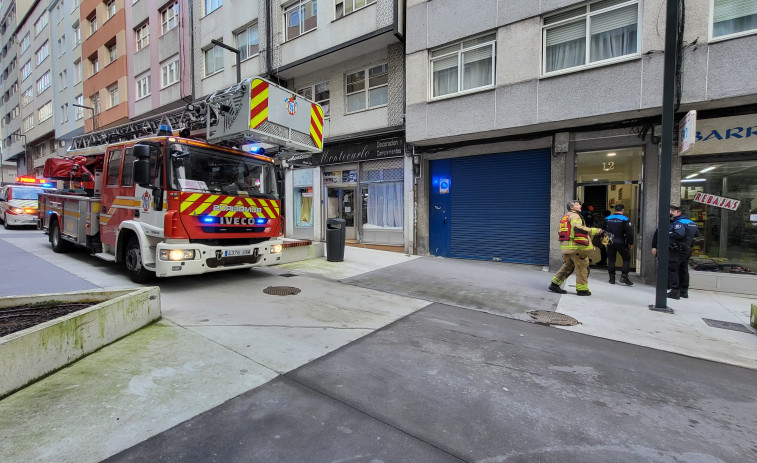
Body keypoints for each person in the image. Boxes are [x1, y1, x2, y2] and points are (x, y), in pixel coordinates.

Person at [549, 200, 603, 296]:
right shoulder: (575, 216)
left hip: (567, 247)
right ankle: (582, 290)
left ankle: (555, 284)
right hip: (576, 247)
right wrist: (597, 231)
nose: (580, 206)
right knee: (583, 266)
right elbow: (578, 228)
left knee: (568, 266)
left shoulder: (565, 216)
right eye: (577, 204)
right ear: (571, 207)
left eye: (579, 204)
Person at [651, 205, 699, 299]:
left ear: (678, 212)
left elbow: (679, 234)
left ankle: (674, 291)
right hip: (687, 248)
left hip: (678, 249)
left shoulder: (679, 222)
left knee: (672, 269)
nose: (672, 213)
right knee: (683, 269)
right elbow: (697, 234)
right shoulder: (691, 222)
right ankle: (684, 291)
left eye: (674, 211)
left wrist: (668, 234)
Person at [605, 204, 634, 285]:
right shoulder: (625, 219)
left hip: (610, 240)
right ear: (623, 210)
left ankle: (612, 278)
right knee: (626, 258)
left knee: (611, 259)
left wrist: (605, 241)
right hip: (621, 241)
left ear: (614, 210)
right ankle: (624, 276)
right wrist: (630, 243)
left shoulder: (607, 218)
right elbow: (629, 233)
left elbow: (603, 229)